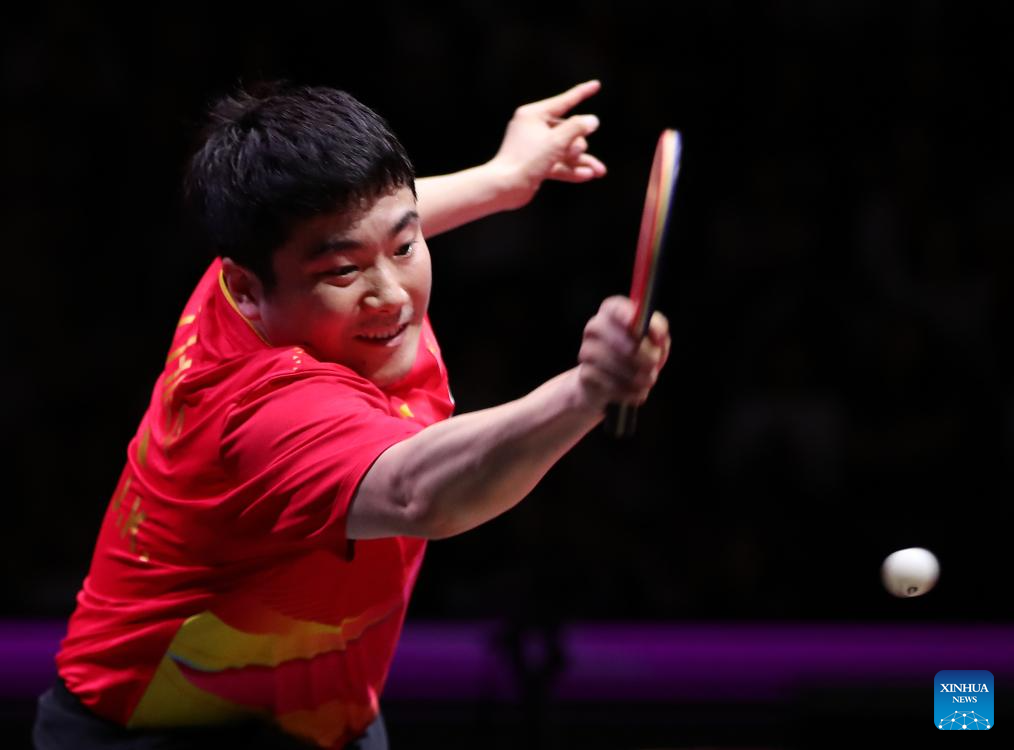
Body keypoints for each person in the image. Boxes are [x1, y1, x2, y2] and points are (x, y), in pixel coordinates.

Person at [34, 79, 670, 749]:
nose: (391, 296)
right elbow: (419, 494)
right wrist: (585, 392)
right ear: (249, 288)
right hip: (153, 731)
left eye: (405, 248)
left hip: (320, 716)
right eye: (345, 272)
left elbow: (370, 225)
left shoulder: (263, 271)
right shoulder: (257, 407)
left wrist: (499, 179)